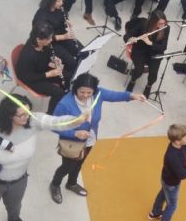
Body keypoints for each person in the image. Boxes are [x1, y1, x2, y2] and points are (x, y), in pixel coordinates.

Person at [0, 95, 86, 221]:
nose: (27, 117)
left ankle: (14, 218)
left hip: (19, 179)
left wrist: (76, 120)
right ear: (9, 115)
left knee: (15, 204)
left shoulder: (33, 121)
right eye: (21, 114)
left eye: (28, 111)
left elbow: (55, 122)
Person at [50, 73, 145, 203]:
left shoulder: (98, 94)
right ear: (75, 88)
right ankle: (55, 184)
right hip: (72, 143)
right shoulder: (65, 104)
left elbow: (114, 95)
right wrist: (74, 134)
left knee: (79, 163)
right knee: (67, 167)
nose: (85, 95)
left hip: (89, 139)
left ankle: (71, 183)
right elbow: (54, 126)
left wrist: (132, 96)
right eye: (82, 92)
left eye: (89, 93)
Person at [15, 22, 74, 114]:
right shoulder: (28, 56)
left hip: (40, 69)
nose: (51, 40)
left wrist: (54, 59)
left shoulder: (42, 43)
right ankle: (50, 114)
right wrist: (48, 74)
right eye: (48, 39)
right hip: (31, 79)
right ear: (39, 39)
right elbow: (28, 77)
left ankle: (63, 99)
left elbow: (46, 53)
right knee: (58, 92)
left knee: (68, 76)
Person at [32, 0, 83, 67]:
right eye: (59, 1)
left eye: (62, 0)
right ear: (51, 2)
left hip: (63, 35)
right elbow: (43, 37)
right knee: (71, 63)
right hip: (50, 42)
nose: (61, 3)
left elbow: (65, 14)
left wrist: (67, 22)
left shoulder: (59, 8)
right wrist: (63, 37)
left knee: (82, 51)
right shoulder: (41, 17)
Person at [123, 10, 170, 96]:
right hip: (140, 50)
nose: (163, 25)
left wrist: (150, 43)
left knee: (153, 74)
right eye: (160, 24)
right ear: (153, 23)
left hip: (155, 53)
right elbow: (127, 35)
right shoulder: (143, 24)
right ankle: (132, 81)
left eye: (164, 23)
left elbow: (163, 47)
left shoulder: (166, 28)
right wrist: (130, 39)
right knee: (138, 71)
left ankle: (148, 86)